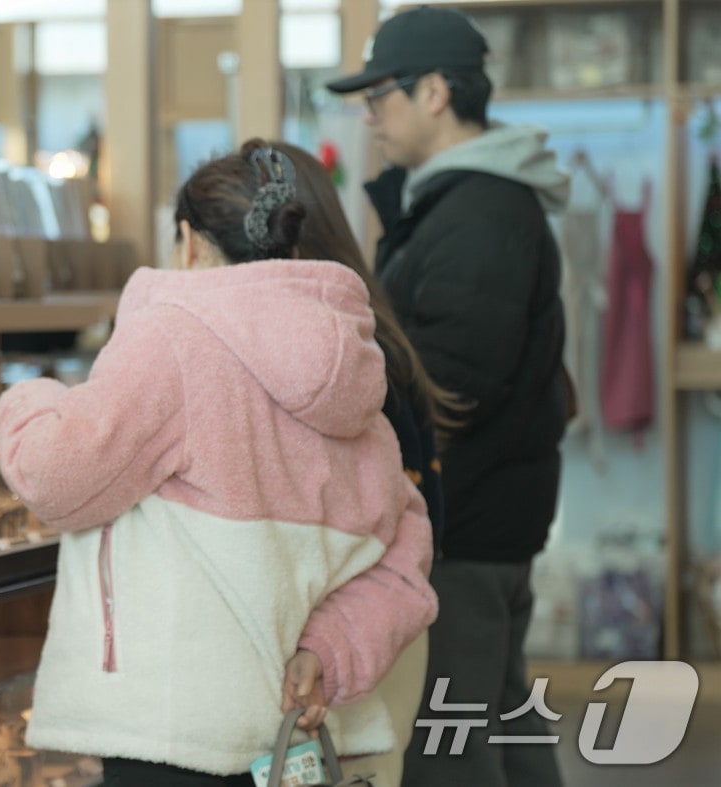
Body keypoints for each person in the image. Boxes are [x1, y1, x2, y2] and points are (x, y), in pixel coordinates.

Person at [0, 139, 437, 785]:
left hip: (172, 727)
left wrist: (30, 397)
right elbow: (406, 550)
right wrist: (331, 645)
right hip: (298, 736)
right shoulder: (352, 362)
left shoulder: (174, 339)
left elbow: (52, 476)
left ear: (188, 240)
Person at [325, 7, 571, 787]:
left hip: (462, 523)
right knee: (499, 721)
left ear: (435, 91)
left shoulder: (482, 210)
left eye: (380, 97)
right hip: (480, 517)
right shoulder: (457, 201)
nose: (371, 118)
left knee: (449, 749)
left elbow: (452, 384)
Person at [270, 140, 452, 787]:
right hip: (361, 631)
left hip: (359, 637)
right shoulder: (367, 335)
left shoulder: (345, 356)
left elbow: (388, 521)